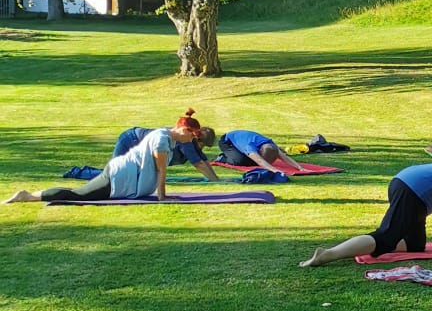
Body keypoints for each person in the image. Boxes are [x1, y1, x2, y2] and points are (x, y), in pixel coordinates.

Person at [299, 143, 432, 268]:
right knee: (386, 237)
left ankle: (353, 247)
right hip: (413, 190)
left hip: (407, 183)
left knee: (416, 244)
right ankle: (327, 254)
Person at [7, 114, 209, 204]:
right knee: (78, 195)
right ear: (183, 129)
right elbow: (161, 171)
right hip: (119, 175)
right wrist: (162, 197)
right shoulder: (162, 140)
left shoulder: (166, 136)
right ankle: (27, 196)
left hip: (122, 174)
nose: (191, 140)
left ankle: (29, 196)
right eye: (191, 136)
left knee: (80, 194)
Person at [111, 115, 219, 181]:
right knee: (114, 174)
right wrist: (216, 181)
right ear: (197, 138)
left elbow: (203, 160)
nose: (202, 148)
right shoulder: (186, 140)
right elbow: (198, 164)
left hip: (138, 146)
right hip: (131, 140)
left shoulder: (192, 140)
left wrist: (216, 179)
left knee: (123, 176)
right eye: (203, 145)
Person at [219, 128, 305, 174]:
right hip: (227, 142)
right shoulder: (250, 146)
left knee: (252, 161)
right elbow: (259, 160)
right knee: (241, 161)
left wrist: (299, 168)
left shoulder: (271, 145)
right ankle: (222, 158)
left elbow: (284, 157)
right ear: (260, 151)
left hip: (242, 140)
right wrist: (275, 170)